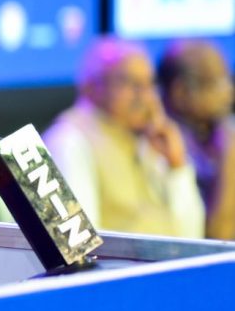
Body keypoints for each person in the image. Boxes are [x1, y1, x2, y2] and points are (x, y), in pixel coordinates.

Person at [43, 37, 203, 238]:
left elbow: (191, 234)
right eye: (131, 84)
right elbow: (79, 244)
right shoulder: (67, 141)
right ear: (92, 87)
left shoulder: (150, 139)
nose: (146, 97)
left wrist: (177, 167)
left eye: (149, 84)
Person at [158, 39, 235, 239]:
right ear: (180, 92)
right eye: (217, 82)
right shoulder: (162, 143)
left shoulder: (216, 129)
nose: (229, 92)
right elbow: (218, 236)